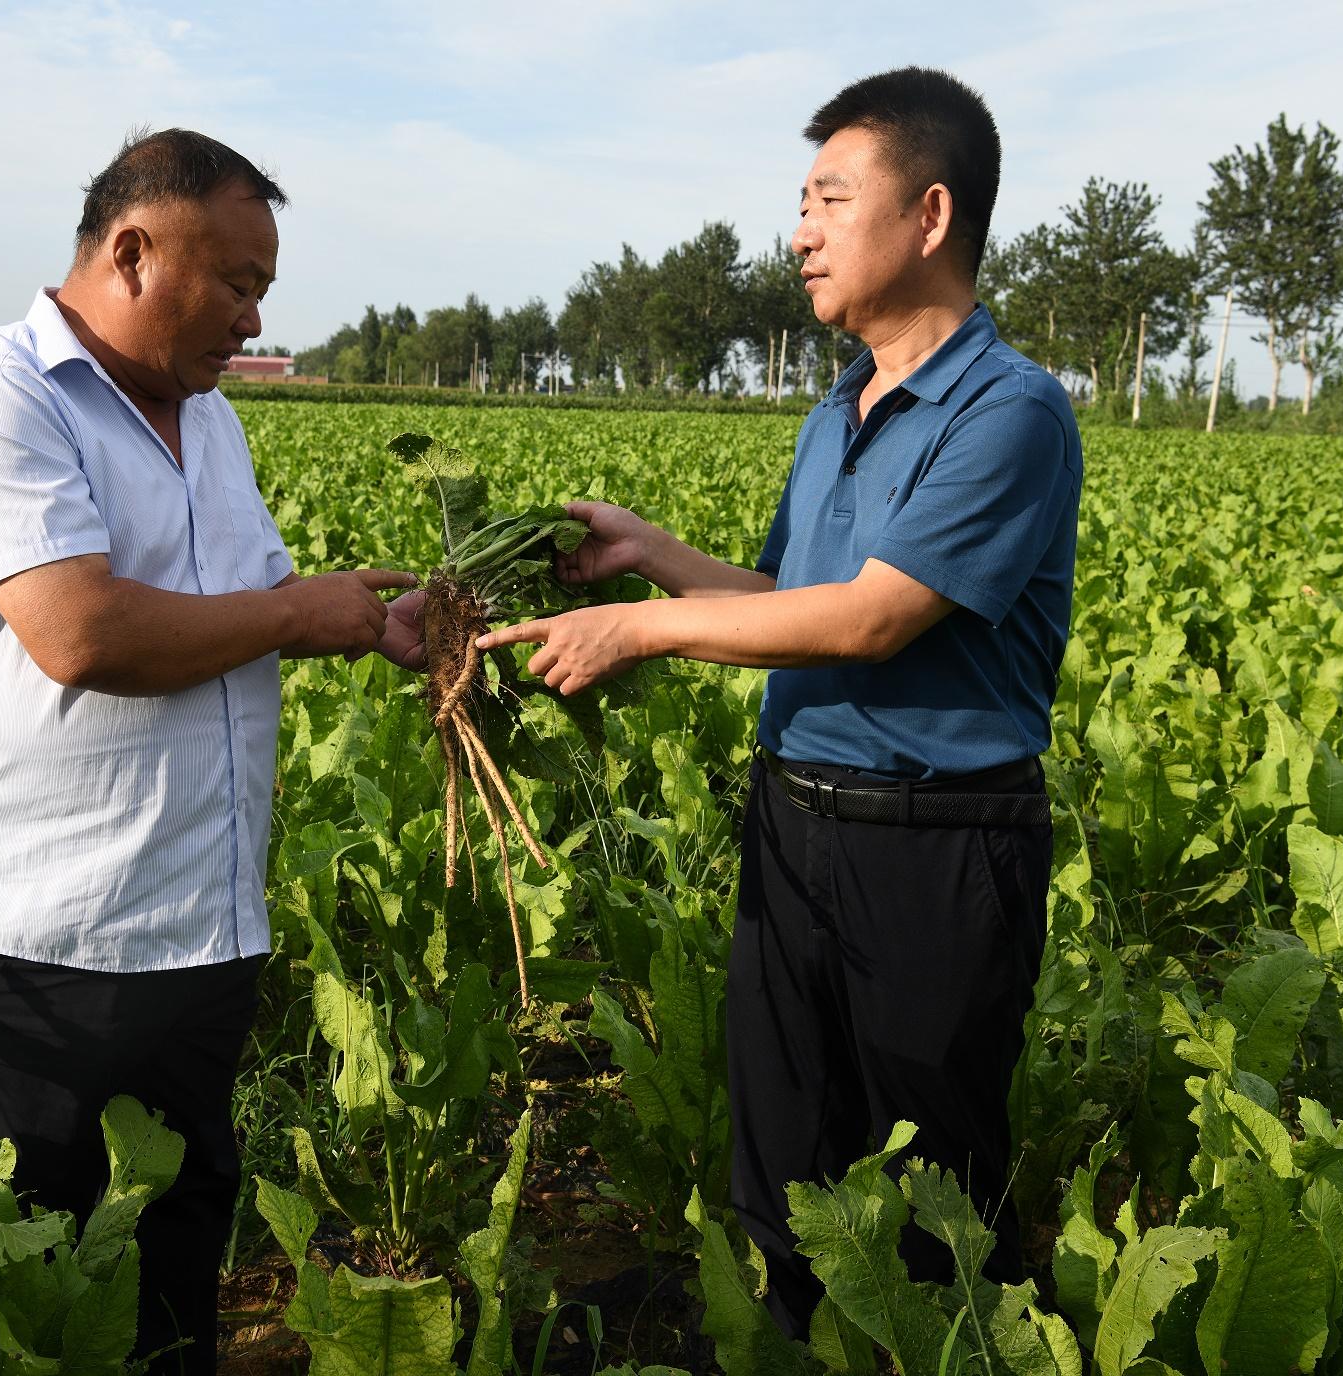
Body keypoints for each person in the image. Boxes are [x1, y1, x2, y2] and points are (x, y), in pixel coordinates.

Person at [478, 68, 1081, 1336]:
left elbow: (870, 617)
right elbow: (785, 594)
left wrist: (640, 627)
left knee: (927, 1186)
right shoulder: (838, 411)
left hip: (935, 841)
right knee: (786, 1150)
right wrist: (648, 551)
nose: (798, 231)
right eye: (799, 202)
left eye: (825, 198)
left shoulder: (1006, 409)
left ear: (928, 213)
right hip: (797, 819)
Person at [0, 128, 422, 1372]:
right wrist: (300, 611)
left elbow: (237, 611)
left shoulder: (209, 424)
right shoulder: (0, 404)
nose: (250, 317)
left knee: (171, 1286)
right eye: (236, 283)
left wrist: (371, 622)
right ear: (131, 251)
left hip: (196, 932)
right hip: (38, 949)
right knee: (23, 1296)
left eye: (263, 290)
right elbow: (81, 632)